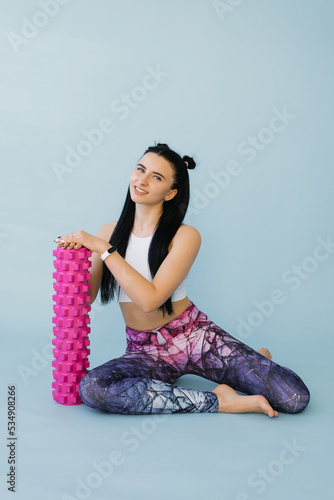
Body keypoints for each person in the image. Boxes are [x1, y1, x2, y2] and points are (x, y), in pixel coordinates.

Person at [55, 143, 310, 417]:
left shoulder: (185, 236)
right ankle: (220, 400)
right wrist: (75, 259)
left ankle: (243, 363)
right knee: (94, 387)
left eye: (156, 177)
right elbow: (87, 296)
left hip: (196, 338)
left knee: (294, 398)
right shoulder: (108, 232)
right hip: (145, 351)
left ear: (171, 192)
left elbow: (150, 300)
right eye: (140, 169)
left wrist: (103, 249)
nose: (142, 180)